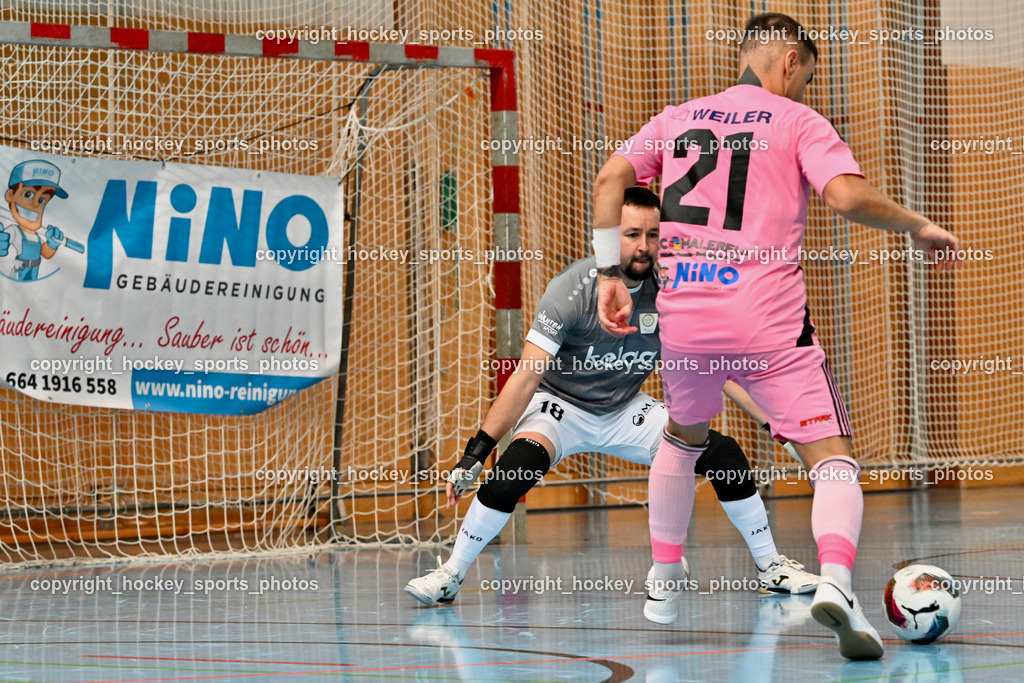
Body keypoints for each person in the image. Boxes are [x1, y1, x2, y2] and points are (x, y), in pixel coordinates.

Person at [591, 13, 961, 660]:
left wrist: (607, 277)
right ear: (789, 61)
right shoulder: (797, 122)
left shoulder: (676, 117)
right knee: (833, 459)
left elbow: (607, 178)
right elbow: (846, 197)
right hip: (766, 317)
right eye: (806, 78)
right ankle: (839, 585)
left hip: (686, 316)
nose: (802, 91)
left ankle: (664, 575)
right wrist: (917, 224)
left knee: (683, 437)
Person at [405, 187, 818, 609]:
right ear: (610, 238)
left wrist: (774, 421)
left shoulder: (673, 291)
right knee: (516, 469)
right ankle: (451, 573)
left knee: (724, 453)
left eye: (653, 235)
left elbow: (718, 369)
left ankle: (772, 569)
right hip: (560, 408)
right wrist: (477, 451)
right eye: (631, 233)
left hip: (625, 409)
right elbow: (526, 379)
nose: (643, 246)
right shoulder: (573, 290)